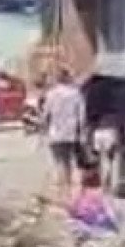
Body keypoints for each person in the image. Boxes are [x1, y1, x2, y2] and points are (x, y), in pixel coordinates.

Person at [42, 62, 84, 201]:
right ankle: (70, 192)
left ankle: (62, 193)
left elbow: (46, 114)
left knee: (59, 162)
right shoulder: (76, 93)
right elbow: (81, 115)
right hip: (71, 133)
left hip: (55, 133)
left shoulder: (51, 94)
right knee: (70, 162)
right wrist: (82, 132)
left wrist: (44, 130)